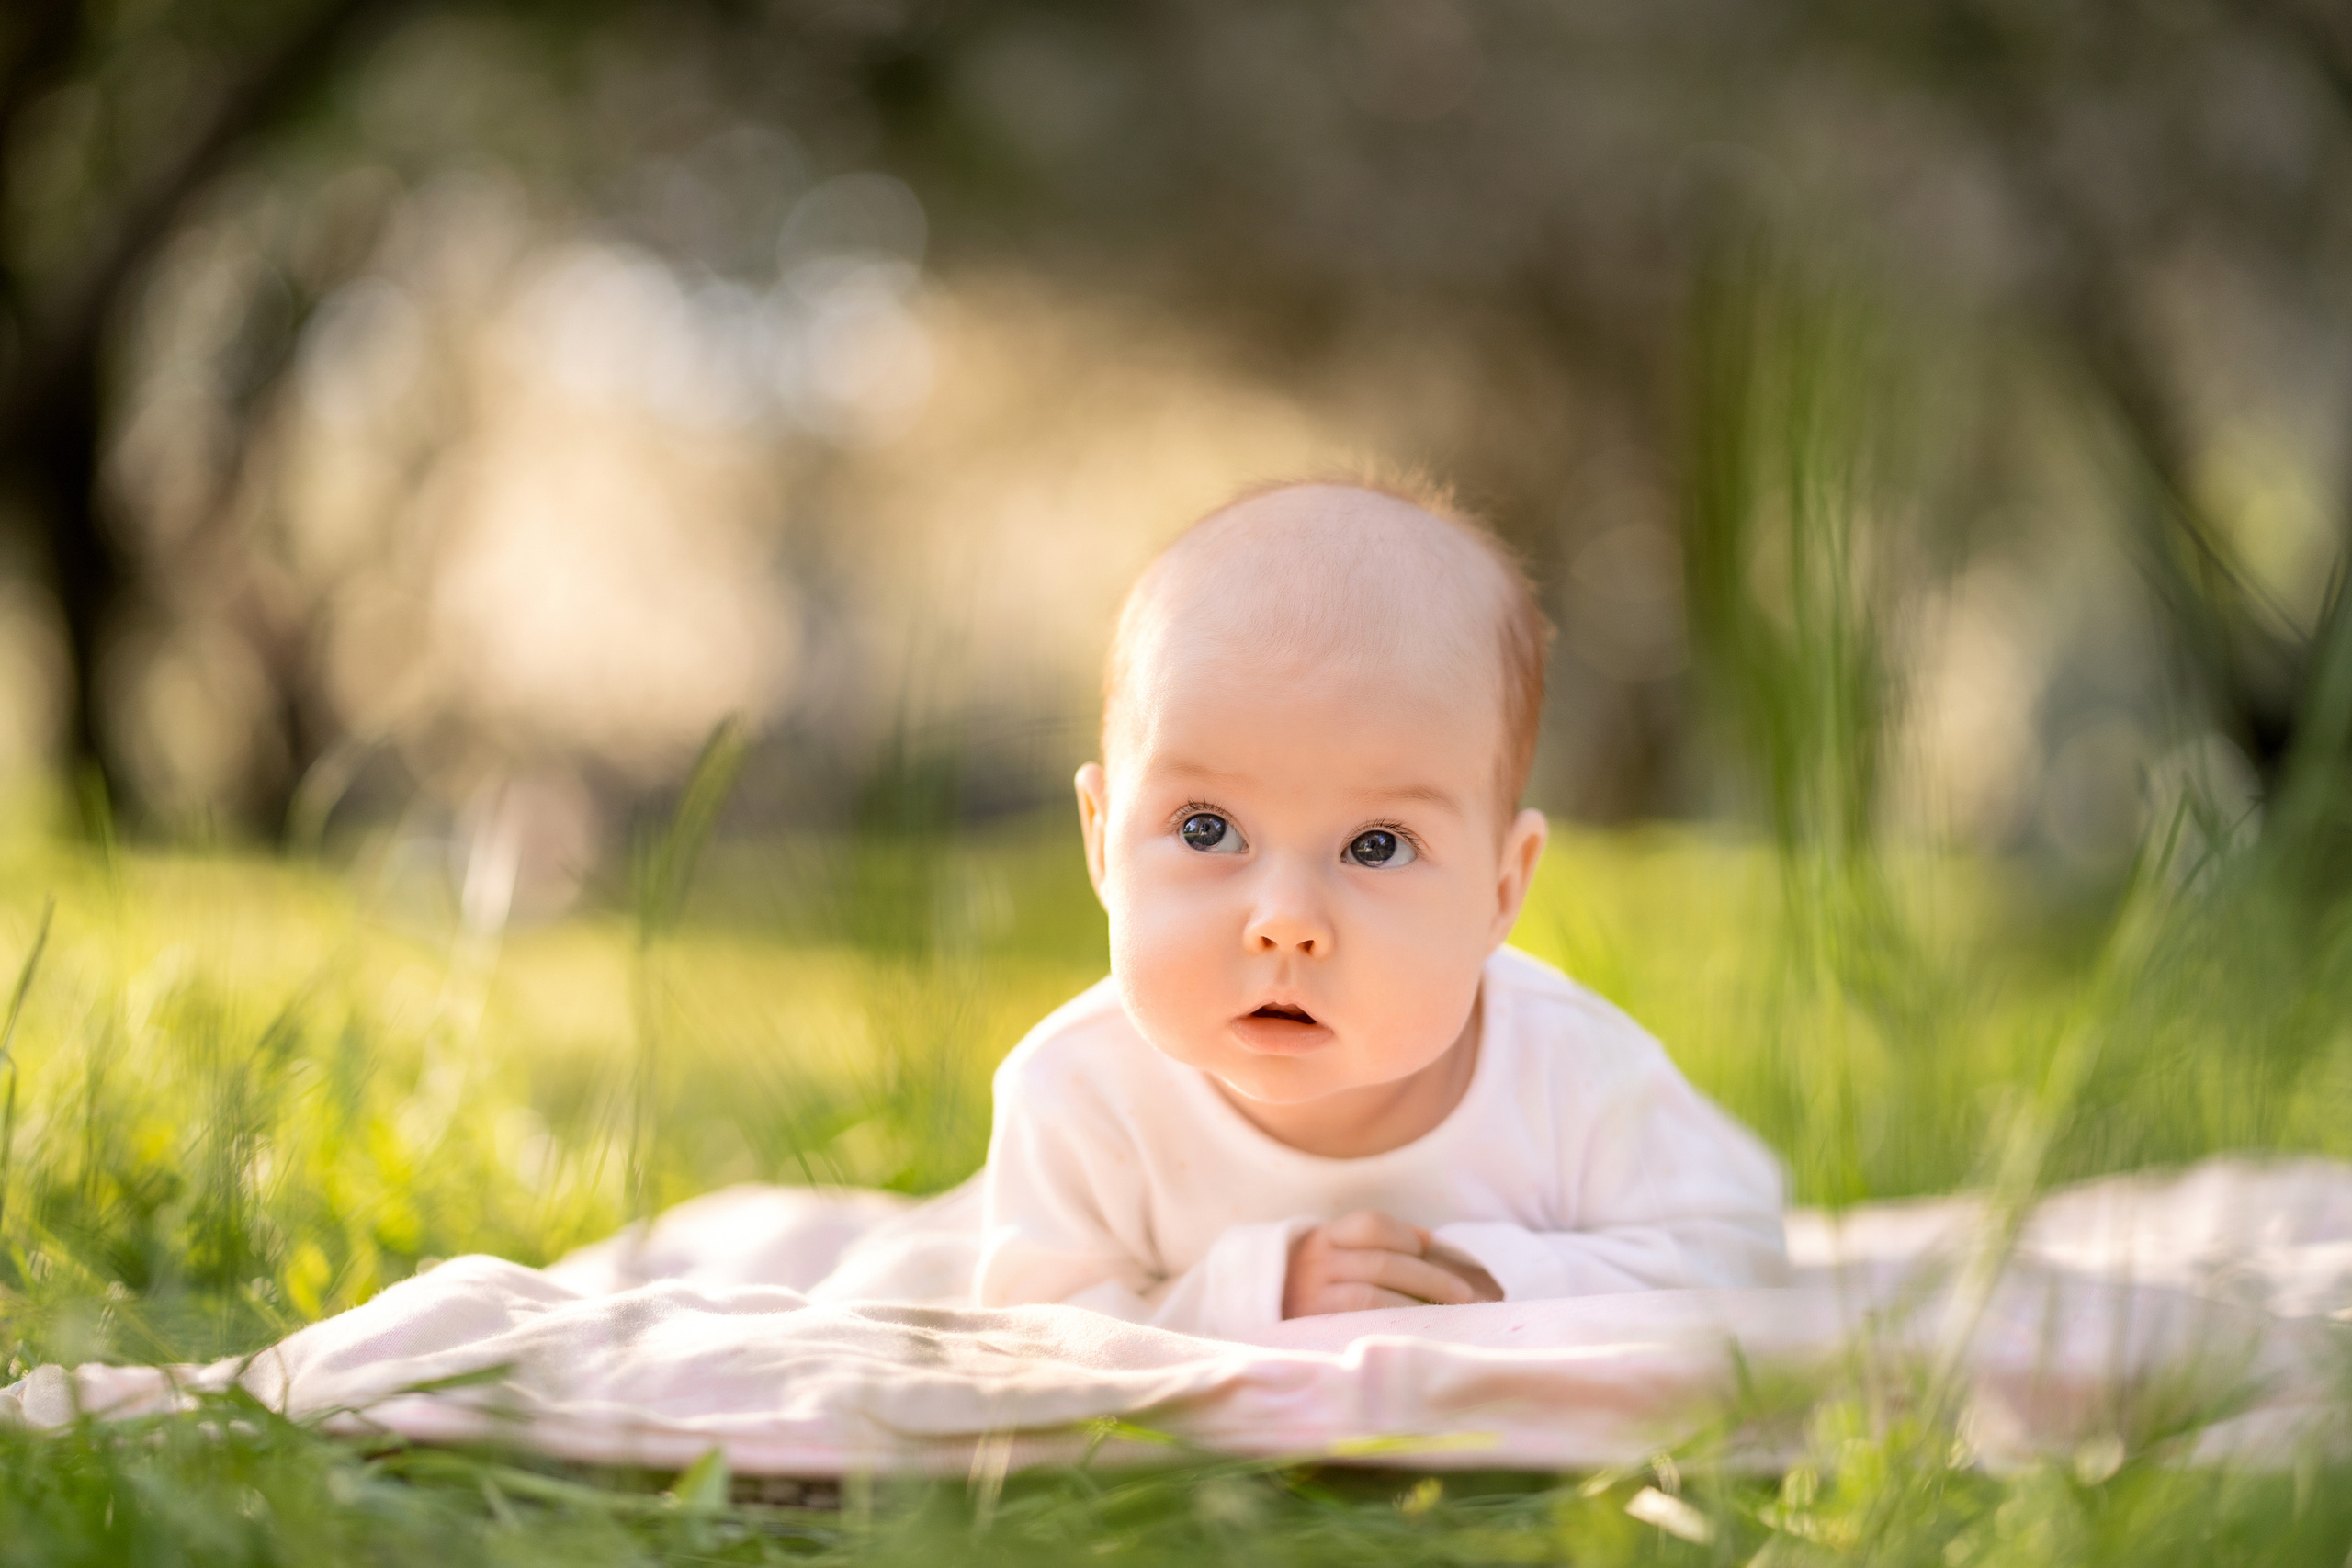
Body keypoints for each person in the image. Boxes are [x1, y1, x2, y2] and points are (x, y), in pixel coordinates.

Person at [973, 476, 1787, 1339]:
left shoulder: (1570, 1075)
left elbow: (1741, 1253)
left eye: (1377, 846)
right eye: (1207, 828)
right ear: (1102, 843)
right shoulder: (1078, 1092)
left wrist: (1495, 1280)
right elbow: (1040, 1327)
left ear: (1501, 890)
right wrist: (1260, 1293)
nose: (1285, 918)